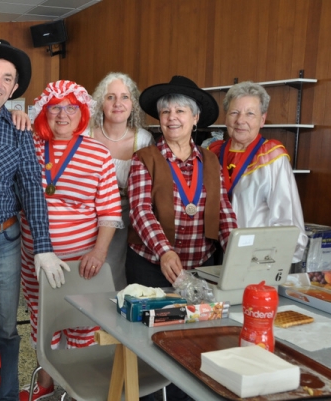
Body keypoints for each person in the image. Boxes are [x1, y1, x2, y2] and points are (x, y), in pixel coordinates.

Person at [0, 39, 67, 401]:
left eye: (8, 78)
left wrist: (44, 247)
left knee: (5, 329)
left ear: (14, 87)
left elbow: (31, 192)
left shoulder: (21, 129)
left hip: (4, 243)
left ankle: (4, 396)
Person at [127, 76, 237, 401]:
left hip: (202, 268)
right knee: (155, 342)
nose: (172, 118)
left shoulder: (212, 161)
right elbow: (140, 212)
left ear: (195, 117)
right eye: (165, 112)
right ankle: (151, 395)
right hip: (151, 270)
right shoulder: (144, 158)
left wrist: (237, 253)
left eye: (180, 111)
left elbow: (225, 210)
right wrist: (164, 251)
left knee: (196, 339)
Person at [19, 80, 123, 400]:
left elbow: (109, 211)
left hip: (82, 261)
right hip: (34, 258)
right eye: (55, 107)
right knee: (42, 322)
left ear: (82, 113)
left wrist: (99, 251)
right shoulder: (30, 146)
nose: (62, 114)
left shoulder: (97, 154)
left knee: (81, 323)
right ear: (43, 112)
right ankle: (46, 384)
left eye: (70, 107)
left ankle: (78, 387)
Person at [208, 81, 308, 262]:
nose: (240, 120)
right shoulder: (212, 153)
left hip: (253, 257)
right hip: (210, 254)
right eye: (234, 112)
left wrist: (270, 261)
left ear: (262, 119)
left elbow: (287, 218)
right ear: (226, 118)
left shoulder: (272, 157)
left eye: (250, 114)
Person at [89, 72, 155, 290]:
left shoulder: (144, 140)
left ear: (133, 104)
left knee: (119, 279)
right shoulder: (85, 135)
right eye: (110, 97)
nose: (118, 103)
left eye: (125, 97)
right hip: (89, 222)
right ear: (101, 103)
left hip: (128, 223)